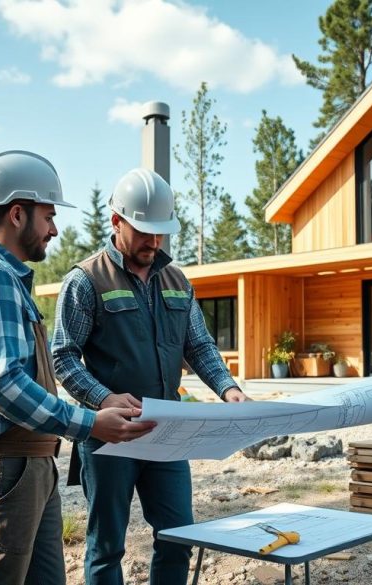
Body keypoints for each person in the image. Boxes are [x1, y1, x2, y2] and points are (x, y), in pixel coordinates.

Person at [0, 151, 156, 585]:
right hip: (0, 468)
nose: (55, 229)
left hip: (25, 463)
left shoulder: (3, 276)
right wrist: (90, 422)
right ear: (18, 214)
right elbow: (5, 386)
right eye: (48, 215)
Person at [52, 167, 249, 585]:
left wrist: (228, 388)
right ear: (117, 222)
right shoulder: (85, 281)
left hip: (168, 433)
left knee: (179, 536)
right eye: (144, 231)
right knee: (107, 547)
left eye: (160, 232)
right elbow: (63, 358)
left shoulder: (178, 281)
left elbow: (199, 346)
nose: (154, 242)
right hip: (109, 436)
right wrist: (103, 398)